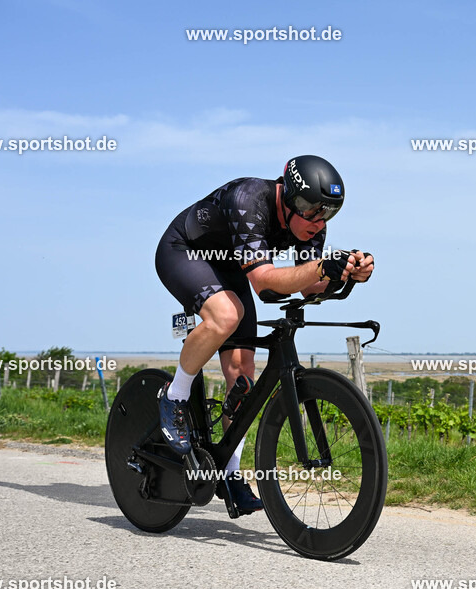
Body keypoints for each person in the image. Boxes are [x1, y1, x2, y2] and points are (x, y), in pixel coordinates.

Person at [153, 155, 374, 514]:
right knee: (225, 315)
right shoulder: (249, 199)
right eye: (312, 210)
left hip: (232, 266)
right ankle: (174, 396)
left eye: (328, 213)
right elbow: (263, 284)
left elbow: (306, 286)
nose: (319, 221)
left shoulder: (312, 224)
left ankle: (230, 473)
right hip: (186, 252)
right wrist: (320, 267)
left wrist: (344, 272)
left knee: (242, 373)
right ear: (289, 198)